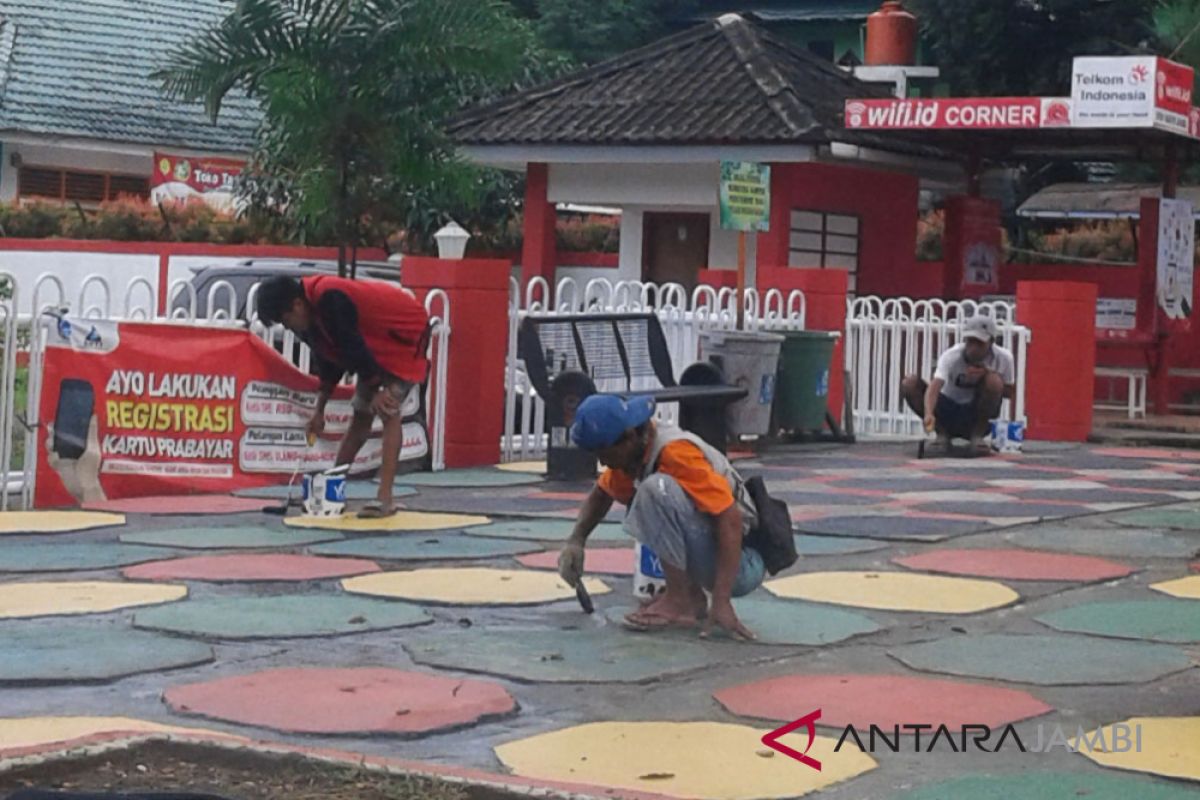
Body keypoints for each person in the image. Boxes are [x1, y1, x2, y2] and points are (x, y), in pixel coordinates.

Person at [557, 394, 764, 640]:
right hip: (719, 553)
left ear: (629, 438)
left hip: (743, 563)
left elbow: (730, 519)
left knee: (655, 491)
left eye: (606, 453)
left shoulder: (674, 453)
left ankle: (680, 602)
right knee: (650, 494)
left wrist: (721, 601)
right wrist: (576, 540)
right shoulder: (636, 451)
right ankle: (690, 596)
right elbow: (603, 493)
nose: (603, 462)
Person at [256, 274, 430, 518]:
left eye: (286, 321)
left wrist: (378, 390)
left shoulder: (330, 298)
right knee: (360, 415)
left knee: (388, 410)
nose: (288, 328)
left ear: (297, 304)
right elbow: (329, 362)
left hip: (402, 335)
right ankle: (332, 490)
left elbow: (351, 344)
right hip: (373, 346)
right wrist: (319, 410)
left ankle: (385, 499)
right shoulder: (309, 317)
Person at [900, 313, 1015, 451]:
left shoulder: (1004, 358)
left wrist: (987, 374)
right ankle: (942, 434)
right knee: (909, 383)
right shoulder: (952, 356)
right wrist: (929, 412)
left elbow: (1009, 392)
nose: (974, 348)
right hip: (948, 408)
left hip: (976, 413)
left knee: (993, 381)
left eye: (979, 343)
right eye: (970, 341)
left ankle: (977, 436)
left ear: (991, 342)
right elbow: (935, 386)